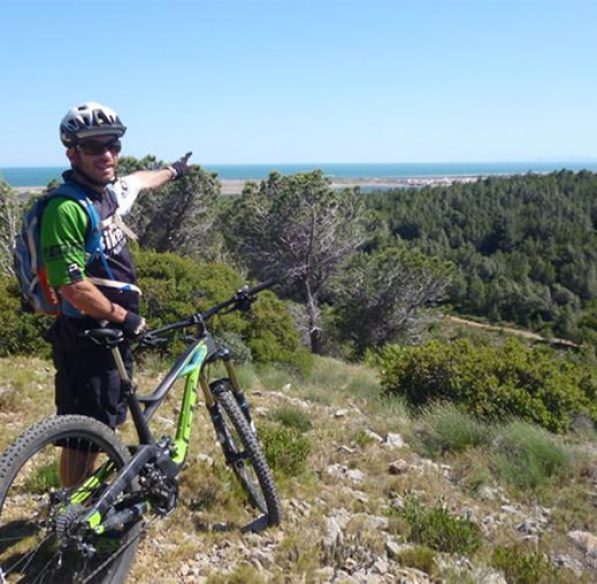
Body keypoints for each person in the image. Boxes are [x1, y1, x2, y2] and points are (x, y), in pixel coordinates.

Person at [41, 101, 191, 485]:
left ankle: (82, 504)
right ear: (71, 153)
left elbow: (140, 181)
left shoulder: (107, 193)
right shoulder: (68, 208)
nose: (106, 154)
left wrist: (173, 171)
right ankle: (70, 519)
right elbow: (72, 287)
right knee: (84, 436)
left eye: (112, 144)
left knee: (103, 422)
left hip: (110, 333)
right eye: (93, 147)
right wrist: (126, 317)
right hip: (86, 335)